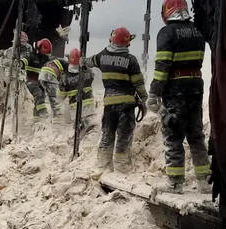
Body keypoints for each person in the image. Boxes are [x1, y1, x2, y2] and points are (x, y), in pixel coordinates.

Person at [147, 0, 211, 193]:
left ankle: (175, 183)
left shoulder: (167, 33)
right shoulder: (198, 30)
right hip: (196, 88)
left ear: (166, 12)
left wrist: (153, 93)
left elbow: (162, 66)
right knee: (196, 136)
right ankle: (204, 181)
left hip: (175, 91)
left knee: (173, 136)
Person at [84, 27, 147, 172]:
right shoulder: (130, 60)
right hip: (126, 106)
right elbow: (138, 83)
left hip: (109, 105)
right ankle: (121, 168)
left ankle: (102, 166)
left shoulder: (102, 56)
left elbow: (89, 62)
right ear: (127, 43)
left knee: (107, 135)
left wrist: (81, 61)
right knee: (123, 137)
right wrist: (143, 98)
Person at [58, 48, 97, 137]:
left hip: (75, 110)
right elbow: (92, 77)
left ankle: (73, 144)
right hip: (89, 108)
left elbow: (60, 97)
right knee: (92, 129)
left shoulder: (65, 78)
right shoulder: (88, 71)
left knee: (78, 130)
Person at [21, 39, 53, 121]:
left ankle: (37, 120)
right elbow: (24, 61)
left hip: (41, 83)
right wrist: (20, 63)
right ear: (39, 48)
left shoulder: (46, 58)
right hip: (31, 81)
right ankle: (44, 112)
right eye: (43, 52)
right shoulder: (31, 55)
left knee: (39, 100)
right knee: (38, 95)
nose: (44, 54)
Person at [39, 54, 69, 125]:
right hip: (50, 74)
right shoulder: (67, 66)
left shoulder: (57, 61)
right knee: (55, 99)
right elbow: (64, 82)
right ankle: (57, 121)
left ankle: (48, 117)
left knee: (50, 97)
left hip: (42, 75)